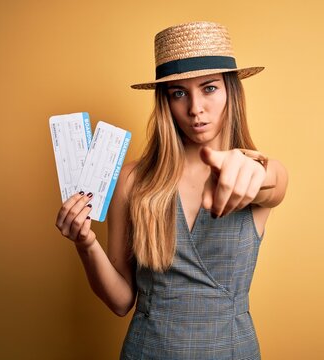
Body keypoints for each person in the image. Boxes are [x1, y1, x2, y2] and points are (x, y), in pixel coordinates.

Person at [55, 21, 288, 359]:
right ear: (165, 101)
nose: (195, 108)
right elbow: (121, 302)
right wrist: (85, 243)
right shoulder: (134, 180)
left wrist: (256, 171)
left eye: (209, 88)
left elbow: (275, 183)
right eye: (178, 92)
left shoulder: (253, 171)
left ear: (231, 92)